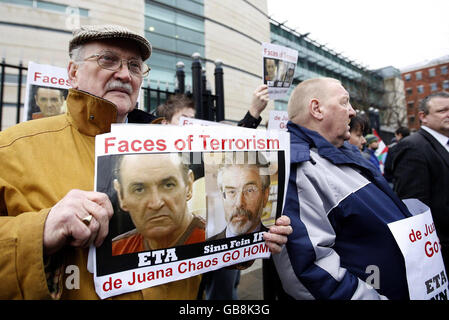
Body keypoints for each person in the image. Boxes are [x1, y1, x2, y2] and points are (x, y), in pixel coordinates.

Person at [0, 24, 291, 300]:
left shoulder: (176, 145)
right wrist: (40, 231)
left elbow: (198, 252)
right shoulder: (12, 149)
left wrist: (249, 243)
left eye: (135, 66)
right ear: (73, 73)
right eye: (108, 60)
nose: (125, 75)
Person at [273, 77, 413, 300]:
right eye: (344, 102)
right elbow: (312, 269)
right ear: (317, 109)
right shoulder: (298, 167)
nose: (352, 111)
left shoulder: (345, 154)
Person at [392, 91, 449, 269]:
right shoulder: (413, 147)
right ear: (423, 117)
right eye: (442, 110)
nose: (448, 114)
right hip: (440, 250)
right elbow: (413, 203)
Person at [111, 153, 205, 255]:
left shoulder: (216, 240)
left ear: (189, 185)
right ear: (121, 196)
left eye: (168, 185)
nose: (156, 204)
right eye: (139, 190)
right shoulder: (116, 250)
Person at [210, 152, 271, 239]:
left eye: (249, 190)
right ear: (221, 197)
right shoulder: (202, 250)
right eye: (231, 192)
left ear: (265, 195)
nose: (239, 203)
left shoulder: (281, 245)